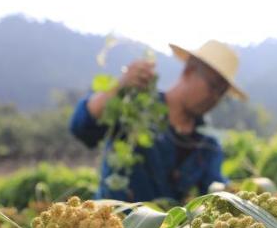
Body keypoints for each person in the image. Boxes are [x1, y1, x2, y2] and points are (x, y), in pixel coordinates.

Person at [69, 40, 246, 203]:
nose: (214, 97)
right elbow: (81, 126)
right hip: (111, 221)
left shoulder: (207, 147)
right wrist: (121, 85)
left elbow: (215, 191)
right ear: (189, 71)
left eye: (221, 93)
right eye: (213, 86)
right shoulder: (136, 107)